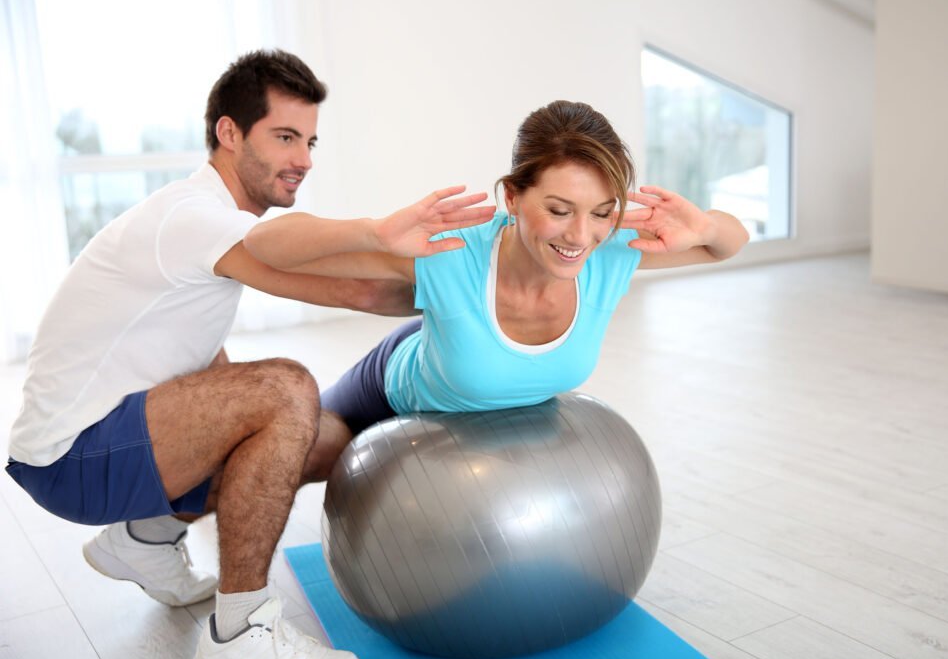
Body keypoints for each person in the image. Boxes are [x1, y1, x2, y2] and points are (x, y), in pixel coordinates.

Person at [6, 49, 492, 659]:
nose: (303, 159)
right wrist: (376, 232)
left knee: (320, 438)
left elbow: (356, 291)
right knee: (286, 389)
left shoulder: (217, 229)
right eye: (285, 137)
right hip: (70, 456)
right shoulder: (192, 215)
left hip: (111, 439)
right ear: (229, 133)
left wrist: (484, 296)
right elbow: (292, 251)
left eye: (310, 142)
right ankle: (241, 633)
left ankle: (143, 540)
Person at [244, 100, 750, 434]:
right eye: (558, 210)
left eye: (601, 212)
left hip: (469, 396)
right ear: (512, 197)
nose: (581, 236)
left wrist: (705, 226)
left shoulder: (612, 249)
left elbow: (731, 241)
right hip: (398, 385)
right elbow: (264, 245)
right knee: (308, 447)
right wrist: (374, 232)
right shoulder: (450, 250)